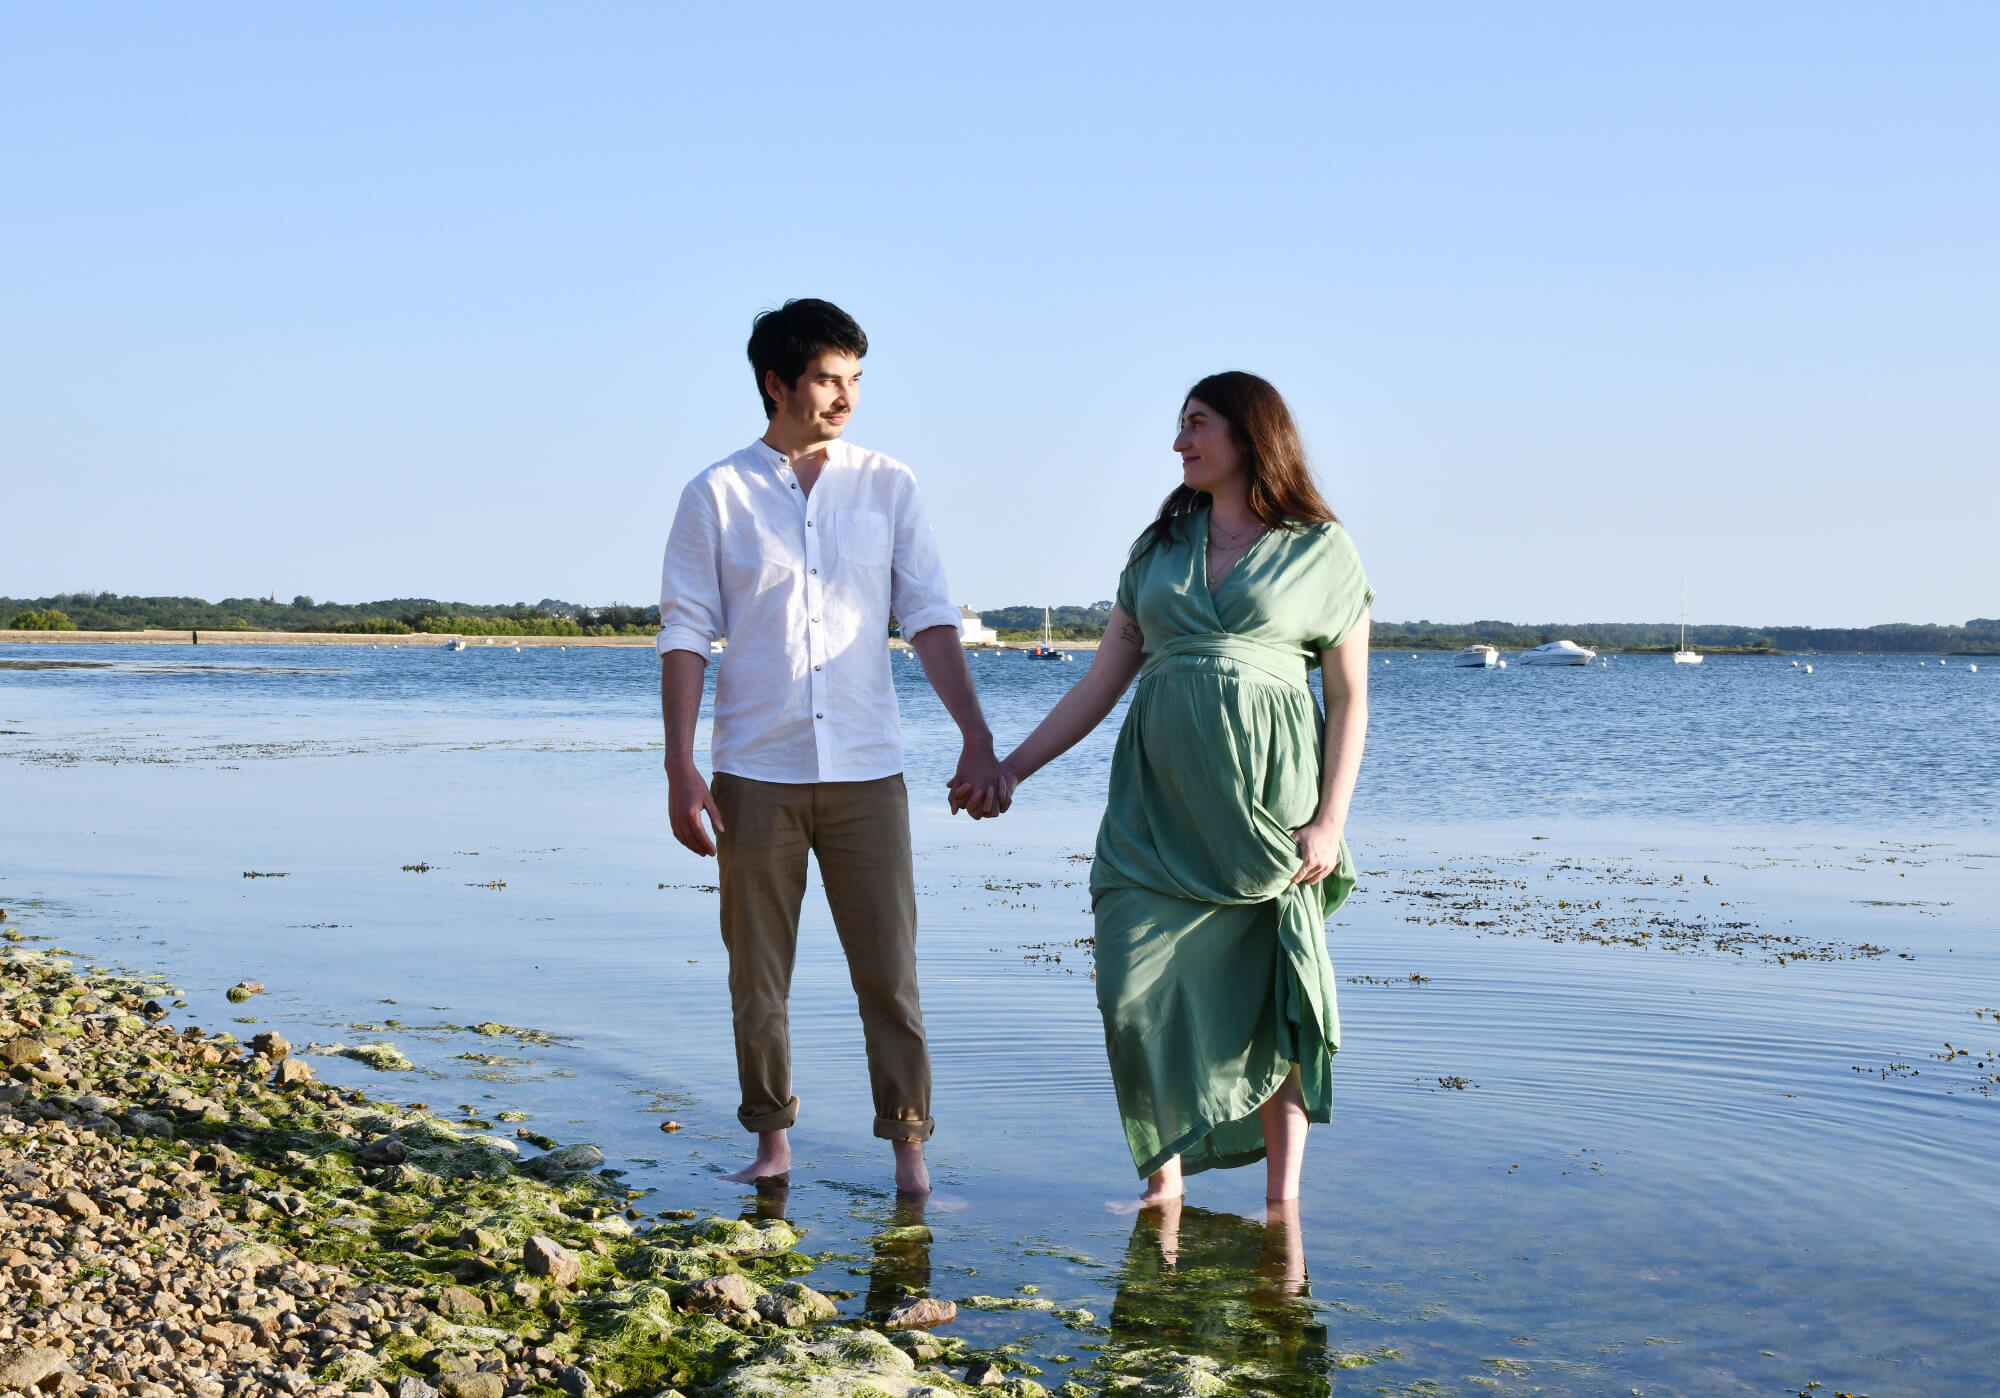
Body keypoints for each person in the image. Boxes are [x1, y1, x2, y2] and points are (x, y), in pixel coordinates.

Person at [961, 371, 1372, 1205]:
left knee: (1271, 998)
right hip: (1153, 812)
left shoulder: (1322, 549)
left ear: (1250, 436)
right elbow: (1098, 685)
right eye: (1181, 426)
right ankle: (1164, 1186)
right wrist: (1011, 766)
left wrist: (1330, 820)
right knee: (1129, 991)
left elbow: (1351, 697)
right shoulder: (1157, 550)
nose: (1180, 442)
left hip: (1265, 811)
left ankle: (1282, 1206)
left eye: (1196, 425)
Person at [656, 298, 1007, 1195]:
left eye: (855, 379)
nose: (845, 396)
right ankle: (772, 1146)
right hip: (753, 773)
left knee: (890, 975)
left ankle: (910, 1155)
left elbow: (928, 617)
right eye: (826, 378)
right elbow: (687, 633)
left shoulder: (889, 484)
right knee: (757, 978)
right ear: (777, 383)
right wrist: (679, 762)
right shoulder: (716, 494)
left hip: (868, 771)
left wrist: (977, 736)